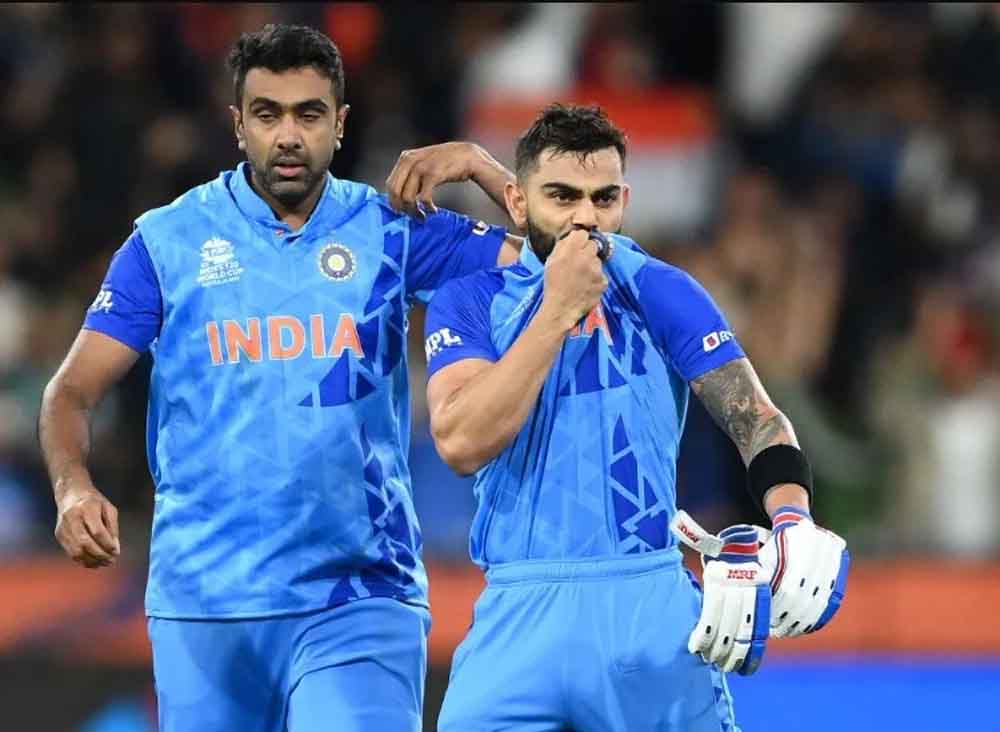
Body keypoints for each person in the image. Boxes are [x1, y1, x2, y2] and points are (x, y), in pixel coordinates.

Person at [38, 23, 522, 732]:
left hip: (360, 596)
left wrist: (484, 168)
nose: (288, 136)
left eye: (309, 114)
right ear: (238, 125)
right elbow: (71, 392)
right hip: (205, 605)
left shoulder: (393, 230)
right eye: (267, 114)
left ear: (340, 124)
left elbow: (571, 267)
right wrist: (72, 487)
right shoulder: (167, 242)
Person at [422, 103, 849, 731]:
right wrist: (557, 309)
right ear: (516, 201)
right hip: (517, 613)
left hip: (648, 607)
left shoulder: (659, 289)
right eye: (561, 197)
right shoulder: (470, 301)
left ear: (623, 200)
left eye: (602, 198)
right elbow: (460, 442)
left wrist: (794, 520)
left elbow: (757, 420)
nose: (584, 219)